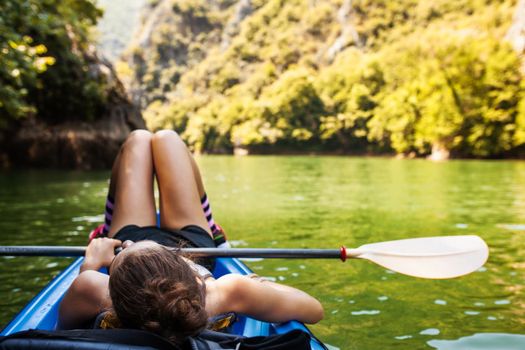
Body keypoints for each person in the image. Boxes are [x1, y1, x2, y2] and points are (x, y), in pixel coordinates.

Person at [58, 130, 324, 344]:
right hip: (196, 245)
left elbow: (63, 331)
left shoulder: (93, 289)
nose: (128, 244)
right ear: (186, 268)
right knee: (168, 139)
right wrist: (260, 288)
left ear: (112, 290)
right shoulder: (222, 292)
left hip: (133, 238)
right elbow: (314, 310)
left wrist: (92, 261)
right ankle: (213, 232)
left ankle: (106, 229)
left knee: (138, 139)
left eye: (123, 251)